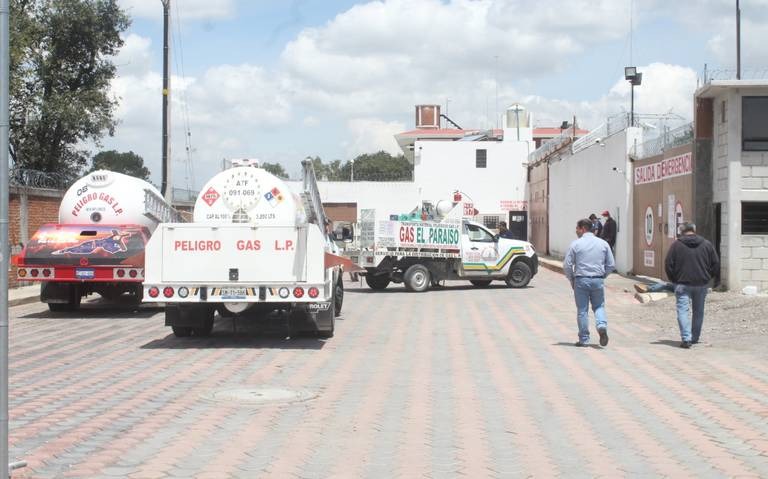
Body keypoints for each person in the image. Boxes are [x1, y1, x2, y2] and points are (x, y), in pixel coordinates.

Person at [664, 222, 719, 348]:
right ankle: (694, 338)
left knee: (683, 311)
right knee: (698, 311)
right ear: (694, 230)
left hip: (682, 284)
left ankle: (686, 338)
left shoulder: (676, 246)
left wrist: (674, 280)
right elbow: (715, 263)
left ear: (681, 231)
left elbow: (668, 264)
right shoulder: (706, 244)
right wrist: (707, 277)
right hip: (701, 284)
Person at [563, 218, 616, 347]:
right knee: (599, 306)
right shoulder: (603, 244)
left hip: (581, 279)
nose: (576, 231)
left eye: (577, 228)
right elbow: (611, 264)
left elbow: (567, 265)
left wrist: (572, 279)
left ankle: (584, 339)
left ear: (583, 229)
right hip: (597, 279)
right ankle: (601, 326)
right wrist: (603, 275)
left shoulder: (575, 244)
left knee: (582, 310)